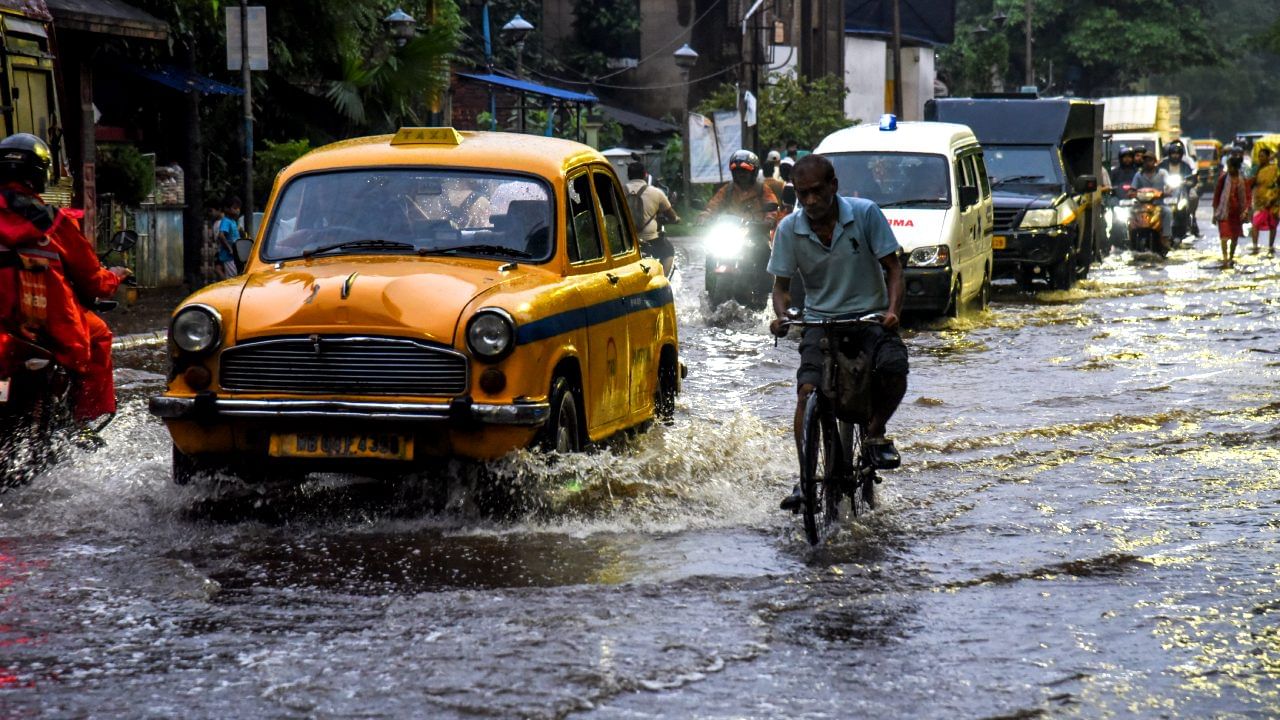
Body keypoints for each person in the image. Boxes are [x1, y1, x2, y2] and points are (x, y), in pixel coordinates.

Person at [766, 154, 908, 512]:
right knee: (807, 392)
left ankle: (875, 433)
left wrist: (892, 312)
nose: (811, 201)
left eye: (817, 191)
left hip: (868, 320)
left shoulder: (865, 214)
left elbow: (893, 268)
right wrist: (782, 316)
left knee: (893, 366)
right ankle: (804, 480)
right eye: (802, 195)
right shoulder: (789, 229)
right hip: (819, 322)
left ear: (833, 186)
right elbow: (780, 287)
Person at [0, 132, 128, 425]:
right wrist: (115, 277)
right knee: (98, 335)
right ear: (39, 175)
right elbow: (93, 280)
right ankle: (83, 422)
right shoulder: (54, 221)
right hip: (45, 323)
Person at [625, 160, 680, 276]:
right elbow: (671, 215)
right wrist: (676, 220)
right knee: (669, 250)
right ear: (645, 175)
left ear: (628, 175)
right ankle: (663, 280)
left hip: (626, 242)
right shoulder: (656, 192)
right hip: (651, 240)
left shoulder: (618, 190)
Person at [698, 149, 779, 225]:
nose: (741, 174)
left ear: (754, 172)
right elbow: (714, 204)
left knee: (765, 239)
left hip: (757, 233)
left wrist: (769, 219)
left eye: (745, 171)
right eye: (737, 171)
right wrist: (705, 215)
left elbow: (772, 206)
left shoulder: (762, 189)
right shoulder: (727, 190)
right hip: (730, 232)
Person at [1130, 152, 1174, 252]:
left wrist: (1166, 192)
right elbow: (1132, 188)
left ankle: (1165, 237)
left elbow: (1170, 186)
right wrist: (1131, 193)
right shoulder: (1139, 174)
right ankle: (1129, 237)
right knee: (1129, 213)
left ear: (1155, 162)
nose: (1147, 163)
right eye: (1145, 160)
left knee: (1167, 212)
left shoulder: (1162, 173)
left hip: (1158, 204)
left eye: (1150, 160)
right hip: (1141, 206)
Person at [1158, 140, 1200, 236]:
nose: (1175, 156)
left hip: (1182, 190)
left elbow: (1191, 177)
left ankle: (1190, 216)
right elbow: (1157, 175)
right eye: (1173, 153)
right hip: (1165, 190)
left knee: (1193, 197)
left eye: (1177, 153)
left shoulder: (1186, 165)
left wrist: (1189, 182)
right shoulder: (1163, 164)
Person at [1213, 155, 1249, 268]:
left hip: (1236, 213)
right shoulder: (1223, 178)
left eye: (1230, 167)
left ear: (1235, 168)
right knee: (1223, 236)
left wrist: (1245, 211)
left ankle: (1231, 257)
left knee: (1234, 237)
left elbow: (1246, 196)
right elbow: (1217, 196)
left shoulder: (1242, 180)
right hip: (1224, 211)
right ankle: (1225, 258)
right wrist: (1214, 212)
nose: (1229, 169)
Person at [1248, 146, 1278, 255]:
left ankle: (1270, 247)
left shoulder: (1274, 168)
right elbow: (1251, 182)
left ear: (1268, 157)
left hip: (1273, 200)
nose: (1260, 158)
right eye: (1259, 156)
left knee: (1273, 224)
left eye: (1262, 156)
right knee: (1255, 224)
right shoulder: (1256, 169)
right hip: (1259, 201)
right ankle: (1255, 247)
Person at [216, 196, 241, 277]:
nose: (238, 210)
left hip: (234, 256)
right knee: (233, 278)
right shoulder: (226, 221)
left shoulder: (233, 221)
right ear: (226, 209)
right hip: (229, 256)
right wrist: (229, 248)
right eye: (235, 208)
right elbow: (221, 235)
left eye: (238, 208)